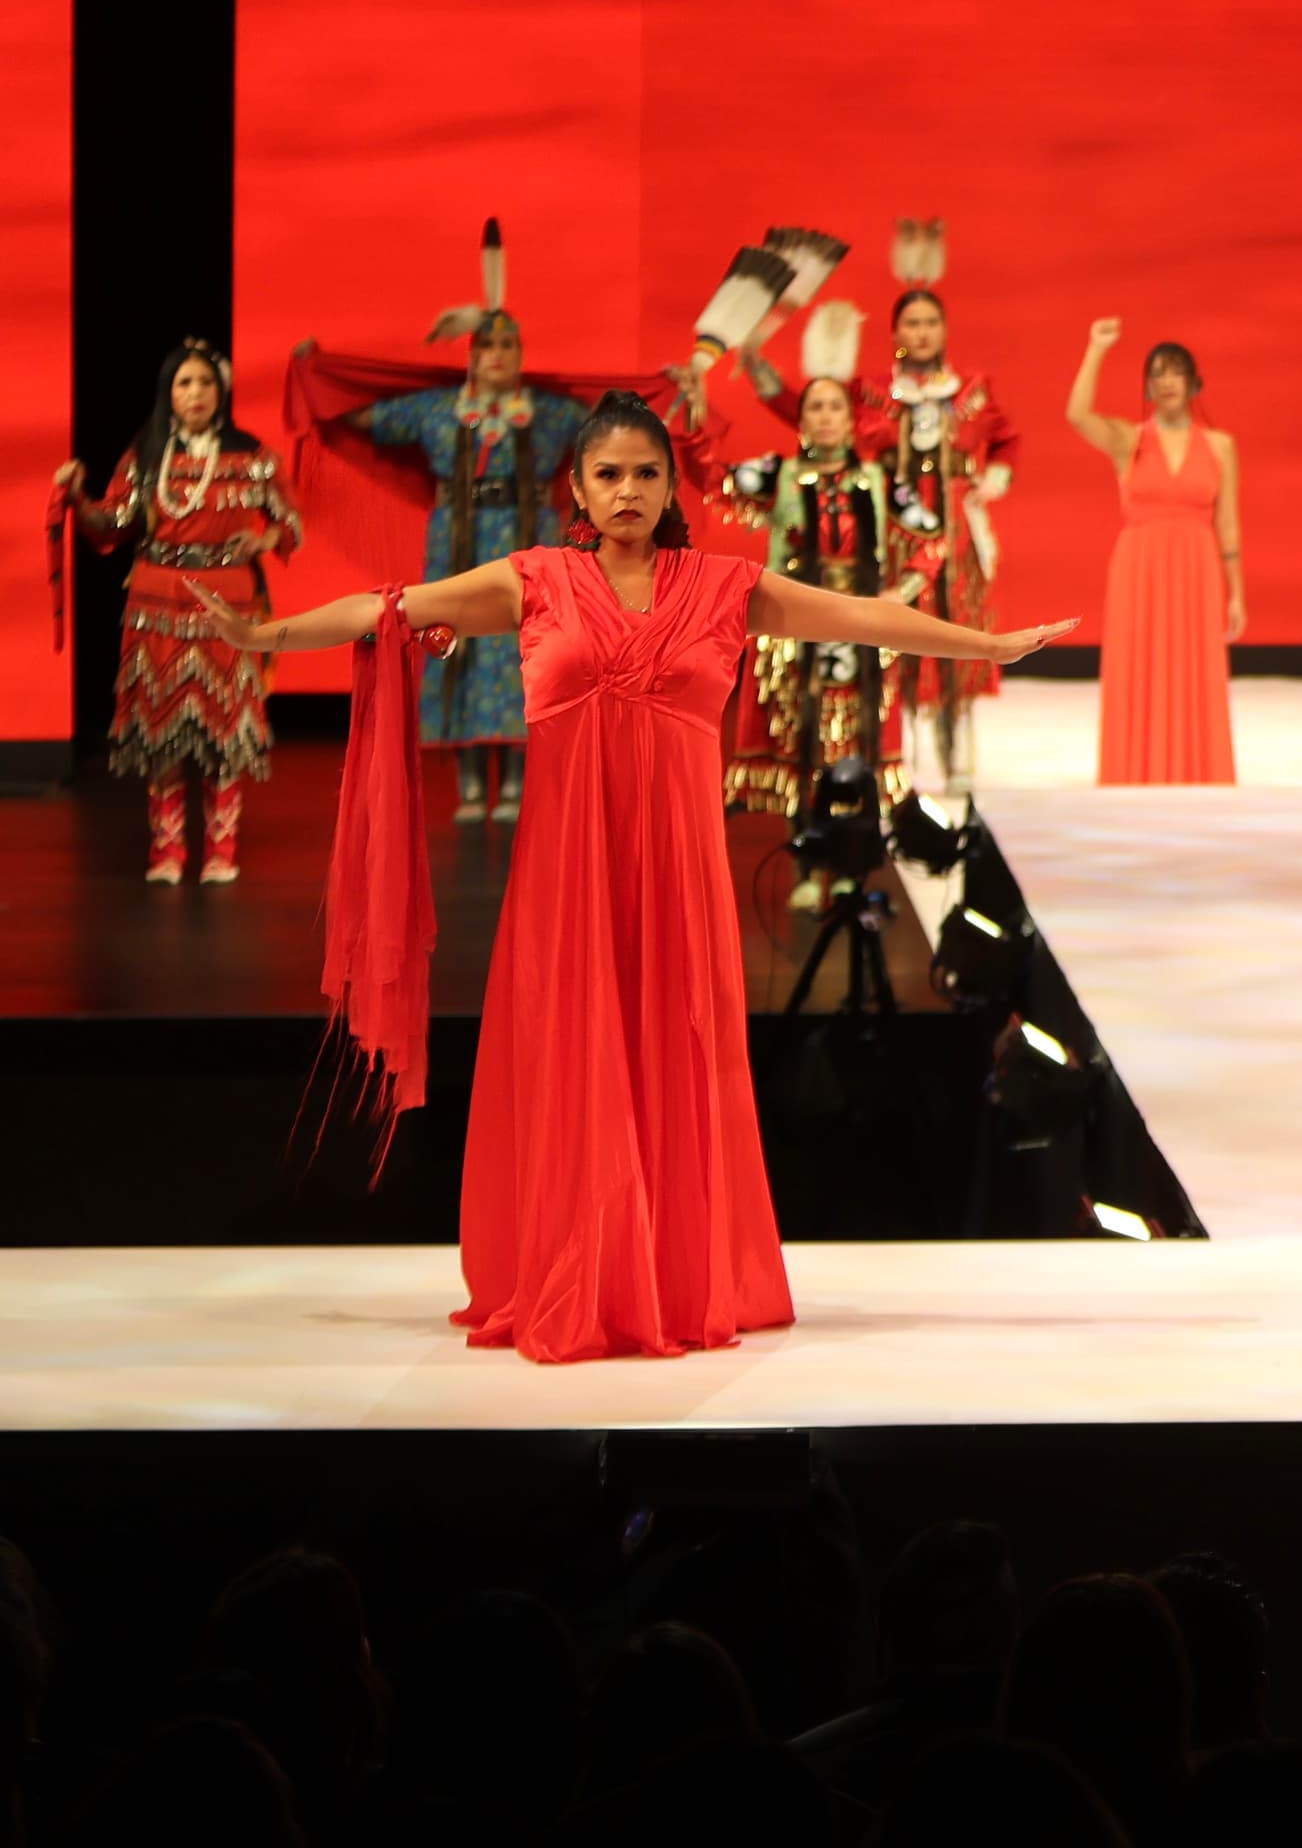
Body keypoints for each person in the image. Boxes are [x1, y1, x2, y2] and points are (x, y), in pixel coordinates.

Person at [191, 390, 1070, 1362]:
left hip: (679, 887)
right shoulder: (536, 580)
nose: (627, 490)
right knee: (574, 1056)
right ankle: (577, 1272)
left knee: (674, 1051)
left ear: (670, 484)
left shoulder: (724, 584)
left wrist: (987, 647)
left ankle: (675, 1272)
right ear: (577, 484)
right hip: (569, 884)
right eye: (608, 473)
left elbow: (862, 620)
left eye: (646, 473)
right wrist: (262, 640)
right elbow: (391, 607)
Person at [292, 224, 609, 823]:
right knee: (454, 639)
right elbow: (362, 417)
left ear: (520, 356)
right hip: (457, 542)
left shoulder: (546, 413)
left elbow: (613, 418)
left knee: (526, 646)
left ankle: (516, 780)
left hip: (528, 537)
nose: (497, 357)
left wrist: (669, 390)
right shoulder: (439, 410)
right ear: (471, 355)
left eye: (509, 347)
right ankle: (469, 785)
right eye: (487, 347)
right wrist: (319, 373)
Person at [757, 228, 1022, 804]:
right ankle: (890, 754)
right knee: (888, 645)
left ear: (944, 330)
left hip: (951, 537)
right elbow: (804, 409)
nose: (922, 333)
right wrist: (759, 371)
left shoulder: (972, 389)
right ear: (896, 331)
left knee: (958, 636)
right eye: (912, 323)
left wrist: (996, 474)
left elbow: (1005, 437)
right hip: (887, 537)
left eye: (931, 323)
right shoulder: (871, 391)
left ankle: (956, 753)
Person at [52, 341, 298, 884]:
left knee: (224, 730)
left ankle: (221, 848)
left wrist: (264, 541)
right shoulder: (147, 455)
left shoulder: (250, 454)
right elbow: (111, 525)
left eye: (205, 383)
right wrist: (77, 499)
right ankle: (166, 850)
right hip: (156, 602)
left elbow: (290, 523)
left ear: (221, 391)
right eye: (184, 383)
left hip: (225, 602)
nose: (195, 394)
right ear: (169, 392)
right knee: (159, 729)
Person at [714, 309, 912, 864]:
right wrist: (690, 402)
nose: (825, 417)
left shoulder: (876, 479)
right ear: (800, 420)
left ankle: (856, 861)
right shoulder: (774, 475)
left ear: (852, 420)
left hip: (861, 625)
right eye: (815, 407)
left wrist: (904, 589)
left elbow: (929, 538)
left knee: (855, 740)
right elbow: (708, 473)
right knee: (800, 736)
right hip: (793, 626)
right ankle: (807, 857)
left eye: (835, 407)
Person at [1067, 318, 1240, 786]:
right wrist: (1096, 348)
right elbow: (1078, 415)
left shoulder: (1221, 445)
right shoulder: (1131, 440)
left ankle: (1196, 770)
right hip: (1140, 566)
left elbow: (1228, 525)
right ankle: (1136, 769)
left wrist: (1236, 594)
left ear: (1192, 382)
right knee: (1139, 667)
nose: (1166, 381)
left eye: (1175, 371)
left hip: (1197, 565)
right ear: (1148, 385)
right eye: (1158, 372)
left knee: (1194, 669)